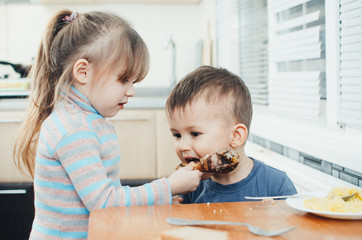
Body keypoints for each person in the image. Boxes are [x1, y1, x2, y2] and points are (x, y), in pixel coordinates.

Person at [13, 10, 202, 239]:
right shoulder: (74, 129)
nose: (131, 91)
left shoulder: (85, 119)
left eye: (133, 82)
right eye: (124, 79)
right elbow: (104, 202)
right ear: (83, 72)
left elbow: (107, 195)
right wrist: (168, 186)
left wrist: (156, 199)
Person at [165, 65, 297, 204]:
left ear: (236, 136)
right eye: (177, 135)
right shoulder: (188, 186)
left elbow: (297, 224)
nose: (183, 146)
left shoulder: (276, 185)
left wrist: (277, 218)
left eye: (195, 133)